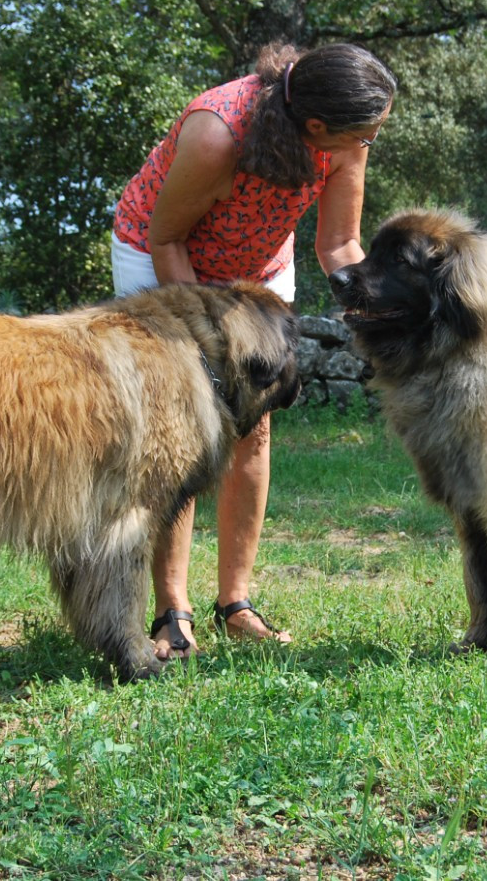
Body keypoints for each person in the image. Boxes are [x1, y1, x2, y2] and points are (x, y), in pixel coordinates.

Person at [111, 41, 396, 660]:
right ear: (316, 125)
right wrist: (210, 345)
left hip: (257, 264)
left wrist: (377, 313)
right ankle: (171, 609)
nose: (369, 143)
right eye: (366, 133)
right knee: (182, 428)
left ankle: (234, 604)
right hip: (160, 251)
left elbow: (341, 244)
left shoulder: (344, 144)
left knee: (254, 426)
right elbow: (167, 237)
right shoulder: (218, 133)